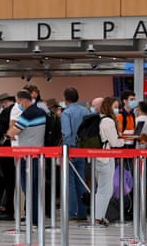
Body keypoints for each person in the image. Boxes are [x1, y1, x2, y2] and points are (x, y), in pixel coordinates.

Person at [6, 90, 46, 227]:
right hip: (38, 154)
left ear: (23, 100)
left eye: (18, 102)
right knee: (35, 188)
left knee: (28, 188)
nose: (18, 105)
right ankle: (35, 218)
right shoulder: (40, 112)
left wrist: (10, 132)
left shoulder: (28, 113)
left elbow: (12, 131)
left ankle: (33, 219)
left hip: (27, 156)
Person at [60, 87, 89, 221]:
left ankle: (72, 212)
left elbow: (66, 133)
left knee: (69, 182)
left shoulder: (66, 113)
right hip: (82, 149)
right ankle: (83, 212)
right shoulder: (85, 111)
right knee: (81, 180)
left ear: (66, 99)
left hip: (70, 149)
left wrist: (66, 150)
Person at [96, 97, 125, 226]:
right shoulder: (108, 121)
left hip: (100, 156)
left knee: (104, 188)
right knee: (105, 189)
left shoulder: (100, 119)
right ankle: (98, 217)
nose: (117, 109)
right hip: (106, 157)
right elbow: (114, 142)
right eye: (115, 106)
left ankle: (100, 216)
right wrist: (123, 140)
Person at [0, 93, 17, 220]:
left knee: (9, 180)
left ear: (4, 103)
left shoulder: (6, 112)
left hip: (6, 150)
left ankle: (9, 209)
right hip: (20, 149)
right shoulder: (20, 110)